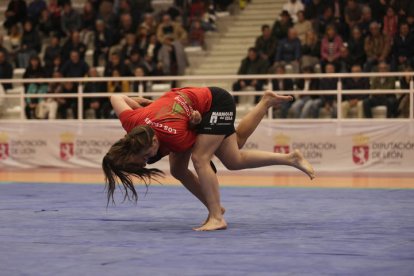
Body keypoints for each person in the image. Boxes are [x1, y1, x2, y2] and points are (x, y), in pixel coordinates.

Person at [102, 87, 315, 231]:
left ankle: (216, 216)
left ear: (155, 142)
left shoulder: (175, 136)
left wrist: (195, 122)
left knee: (201, 158)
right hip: (192, 107)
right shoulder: (131, 120)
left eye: (148, 156)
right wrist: (137, 103)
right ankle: (287, 150)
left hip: (216, 102)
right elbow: (116, 97)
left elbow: (206, 160)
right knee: (232, 157)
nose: (146, 162)